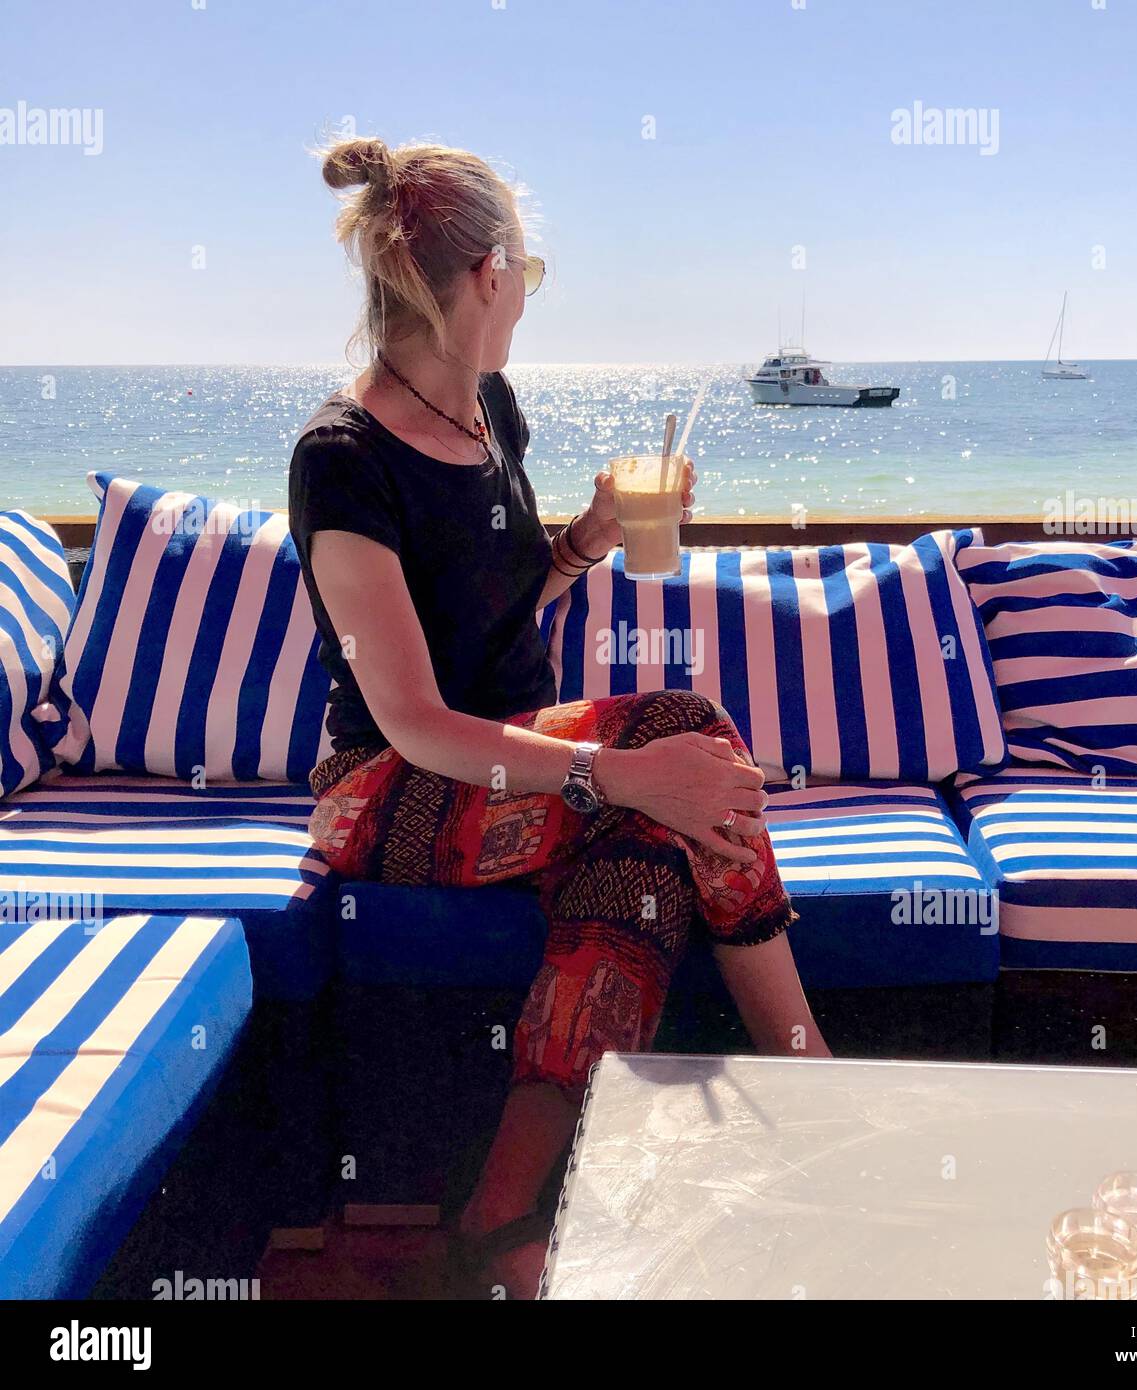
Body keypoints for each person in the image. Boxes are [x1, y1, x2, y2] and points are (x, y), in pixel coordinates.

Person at [289, 136, 832, 1299]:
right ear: (487, 275)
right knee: (676, 729)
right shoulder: (342, 460)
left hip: (508, 777)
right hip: (384, 792)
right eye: (526, 280)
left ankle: (496, 1215)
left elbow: (497, 606)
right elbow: (419, 719)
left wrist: (582, 540)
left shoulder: (492, 412)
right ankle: (813, 1077)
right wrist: (621, 771)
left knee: (644, 863)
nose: (526, 304)